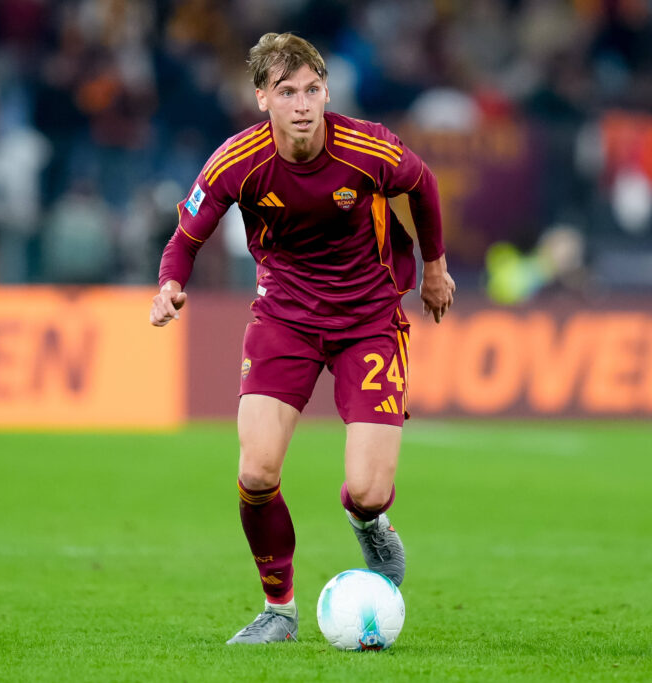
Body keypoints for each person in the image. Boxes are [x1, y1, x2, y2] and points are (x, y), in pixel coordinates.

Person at [150, 32, 455, 644]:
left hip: (369, 319)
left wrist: (436, 268)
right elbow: (186, 238)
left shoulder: (367, 147)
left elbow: (421, 185)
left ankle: (368, 521)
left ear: (326, 93)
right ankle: (278, 610)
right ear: (262, 97)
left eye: (312, 90)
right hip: (284, 319)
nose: (301, 104)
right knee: (257, 472)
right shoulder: (236, 161)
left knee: (370, 489)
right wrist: (168, 286)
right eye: (286, 91)